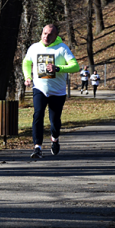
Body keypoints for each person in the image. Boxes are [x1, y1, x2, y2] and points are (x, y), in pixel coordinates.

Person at [23, 24, 80, 159]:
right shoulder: (34, 47)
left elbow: (75, 66)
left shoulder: (62, 48)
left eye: (50, 34)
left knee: (54, 121)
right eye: (44, 33)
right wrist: (28, 77)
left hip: (57, 92)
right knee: (38, 114)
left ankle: (55, 138)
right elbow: (26, 62)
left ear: (56, 36)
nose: (46, 37)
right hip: (40, 88)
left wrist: (58, 68)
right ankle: (38, 147)